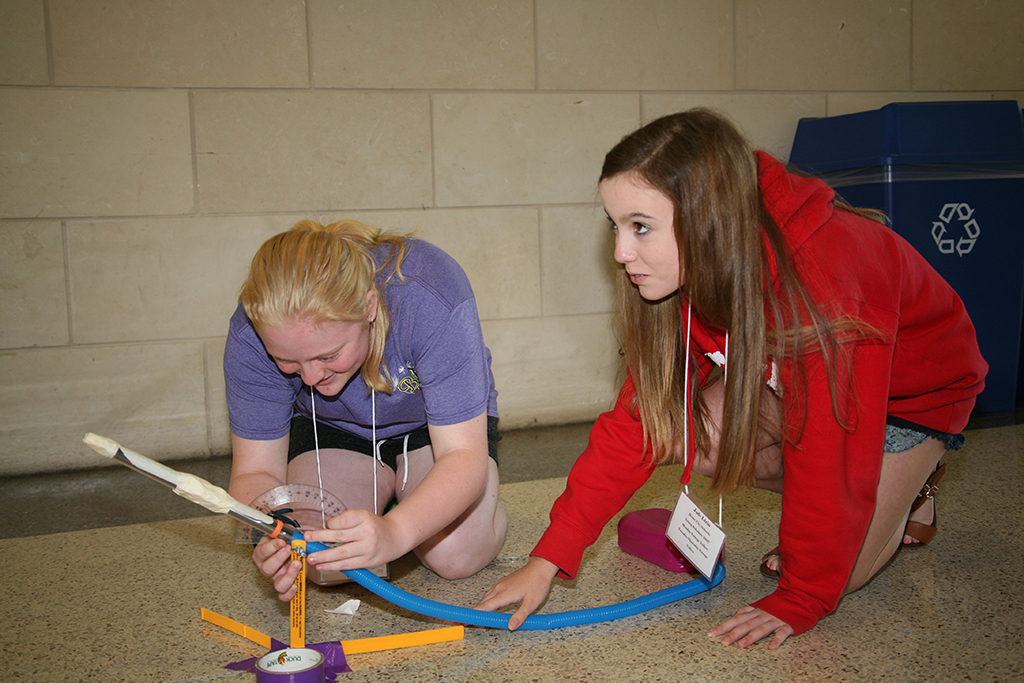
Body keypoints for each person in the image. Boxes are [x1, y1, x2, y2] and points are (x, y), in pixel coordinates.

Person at [475, 109, 986, 648]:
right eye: (617, 226)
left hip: (908, 402)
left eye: (641, 227)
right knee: (693, 434)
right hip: (795, 381)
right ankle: (876, 499)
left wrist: (803, 594)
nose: (622, 253)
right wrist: (550, 557)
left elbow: (830, 449)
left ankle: (912, 479)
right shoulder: (686, 270)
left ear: (705, 218)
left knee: (842, 575)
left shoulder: (828, 278)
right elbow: (636, 424)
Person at [225, 219, 507, 601]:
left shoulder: (430, 293)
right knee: (321, 563)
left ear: (370, 307)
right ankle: (392, 501)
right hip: (331, 425)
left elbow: (461, 455)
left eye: (328, 355)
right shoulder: (250, 332)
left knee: (455, 556)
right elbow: (255, 471)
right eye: (286, 361)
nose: (309, 378)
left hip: (433, 427)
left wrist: (396, 532)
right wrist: (274, 531)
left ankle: (430, 504)